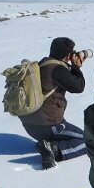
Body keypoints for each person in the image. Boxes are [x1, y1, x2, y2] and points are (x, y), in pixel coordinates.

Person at [18, 37, 87, 170]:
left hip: (30, 126)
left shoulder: (41, 65)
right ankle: (54, 151)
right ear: (68, 55)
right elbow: (79, 87)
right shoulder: (57, 69)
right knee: (88, 141)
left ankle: (48, 143)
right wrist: (77, 66)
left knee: (65, 131)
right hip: (48, 126)